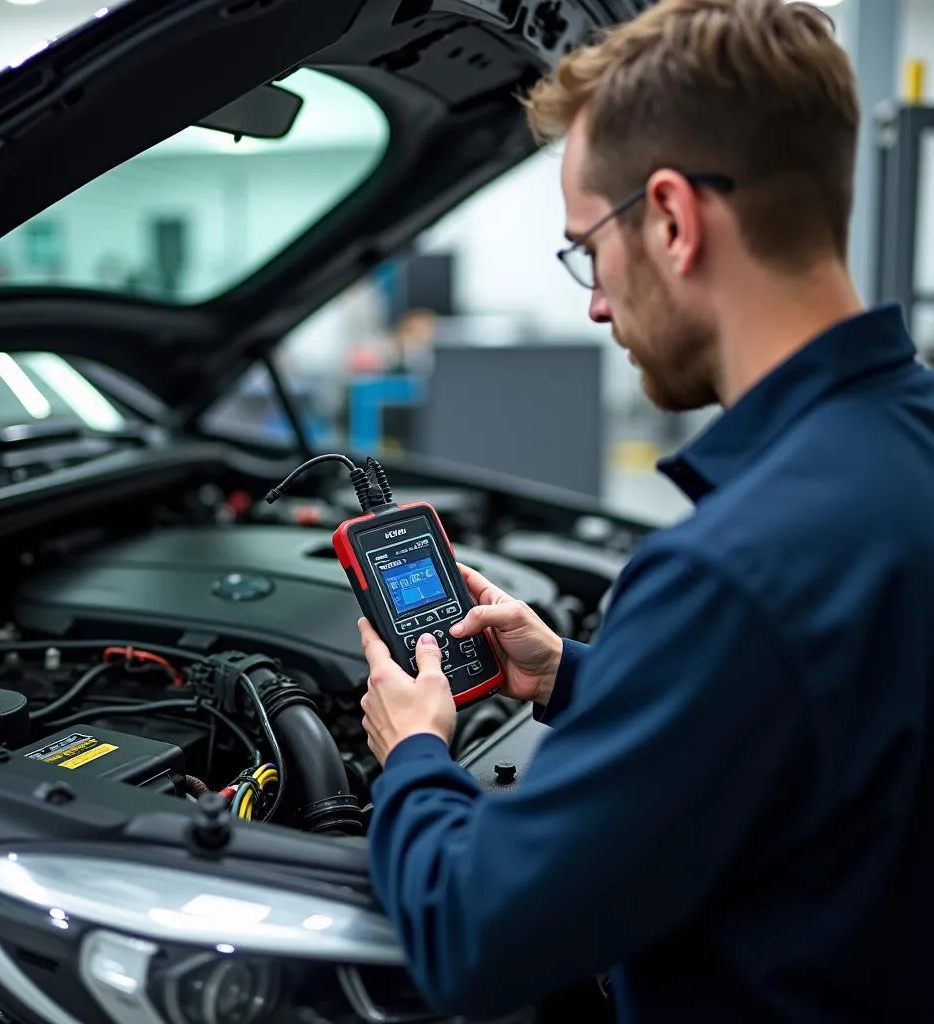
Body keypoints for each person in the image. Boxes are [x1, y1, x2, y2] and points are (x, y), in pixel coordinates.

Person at [357, 0, 934, 1020]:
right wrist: (577, 678)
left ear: (670, 219)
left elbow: (472, 931)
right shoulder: (905, 440)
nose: (593, 300)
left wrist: (411, 749)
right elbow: (820, 738)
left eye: (587, 248)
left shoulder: (735, 571)